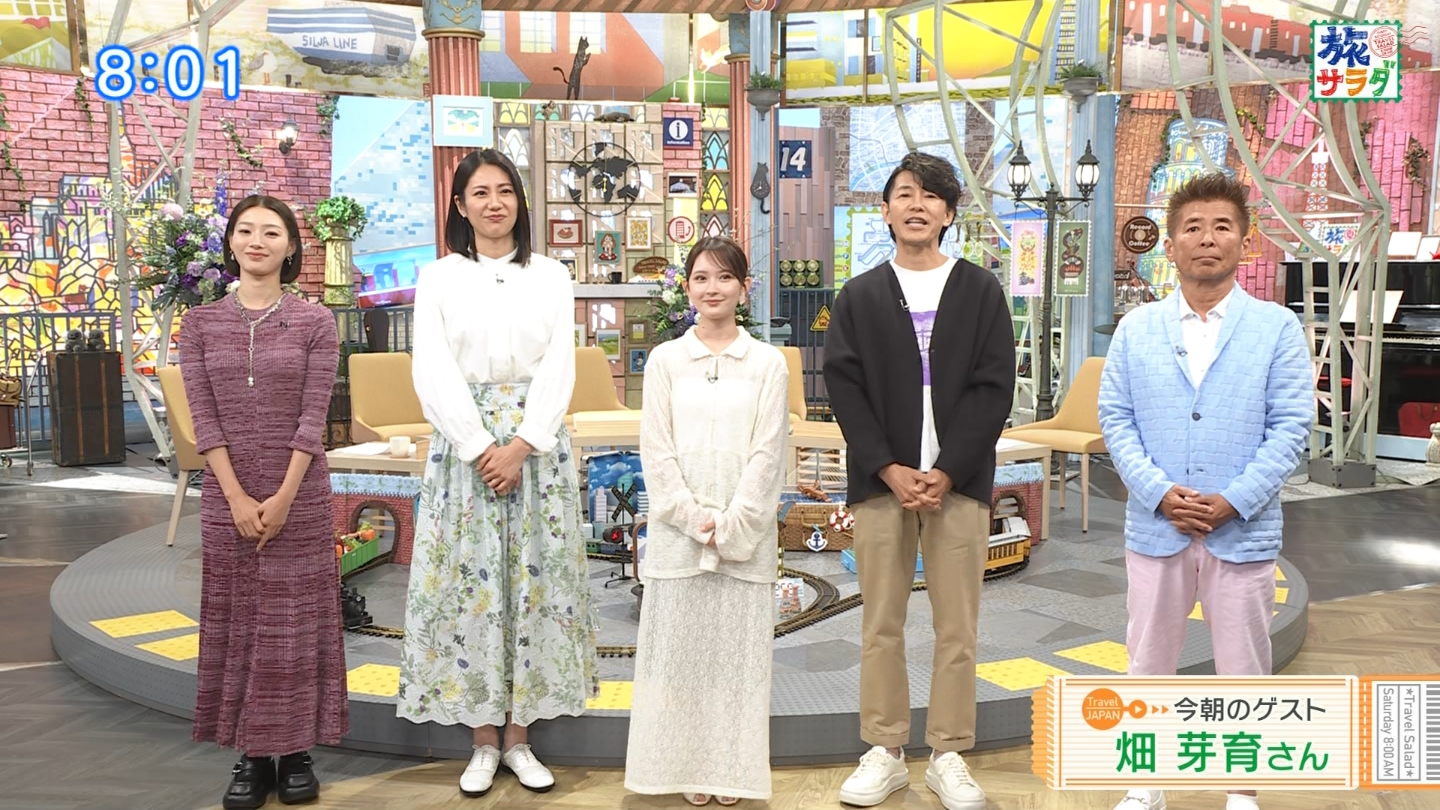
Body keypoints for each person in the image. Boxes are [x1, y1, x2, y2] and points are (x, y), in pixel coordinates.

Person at [1098, 172, 1312, 810]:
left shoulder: (1276, 327)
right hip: (1156, 526)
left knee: (1244, 665)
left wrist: (1234, 500)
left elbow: (1291, 426)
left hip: (1242, 530)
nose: (1207, 239)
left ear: (1245, 241)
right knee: (1147, 660)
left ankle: (1241, 789)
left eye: (1222, 226)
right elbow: (1116, 420)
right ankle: (1146, 783)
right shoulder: (1137, 328)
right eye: (1193, 227)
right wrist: (1158, 492)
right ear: (1170, 245)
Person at [397, 148, 599, 797]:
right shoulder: (438, 278)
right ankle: (483, 737)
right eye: (480, 193)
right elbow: (431, 368)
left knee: (534, 584)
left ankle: (520, 736)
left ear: (520, 200)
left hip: (536, 450)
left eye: (505, 190)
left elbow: (562, 364)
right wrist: (481, 444)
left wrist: (523, 443)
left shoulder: (552, 274)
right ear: (460, 206)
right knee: (471, 586)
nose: (494, 203)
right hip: (467, 455)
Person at [823, 152, 1014, 810]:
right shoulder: (860, 296)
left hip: (959, 483)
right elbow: (844, 389)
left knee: (957, 626)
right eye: (904, 193)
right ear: (885, 210)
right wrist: (888, 466)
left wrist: (948, 468)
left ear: (949, 214)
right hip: (881, 484)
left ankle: (949, 753)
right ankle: (884, 749)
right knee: (881, 622)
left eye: (931, 196)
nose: (917, 205)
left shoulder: (980, 290)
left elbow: (994, 388)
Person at [179, 194, 347, 810]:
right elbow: (204, 419)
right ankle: (251, 755)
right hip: (227, 497)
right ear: (230, 242)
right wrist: (235, 496)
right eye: (246, 230)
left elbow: (313, 418)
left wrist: (281, 498)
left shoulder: (315, 322)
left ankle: (296, 750)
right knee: (241, 621)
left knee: (295, 624)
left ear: (291, 246)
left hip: (299, 494)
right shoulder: (199, 324)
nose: (257, 241)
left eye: (271, 232)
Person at [624, 236, 789, 807]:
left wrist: (735, 523)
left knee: (737, 664)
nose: (712, 288)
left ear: (744, 287)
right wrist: (694, 519)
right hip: (678, 540)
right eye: (700, 277)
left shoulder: (767, 363)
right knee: (680, 662)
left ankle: (729, 771)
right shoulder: (666, 361)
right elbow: (656, 451)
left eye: (724, 278)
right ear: (686, 288)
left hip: (746, 540)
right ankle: (683, 766)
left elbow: (769, 453)